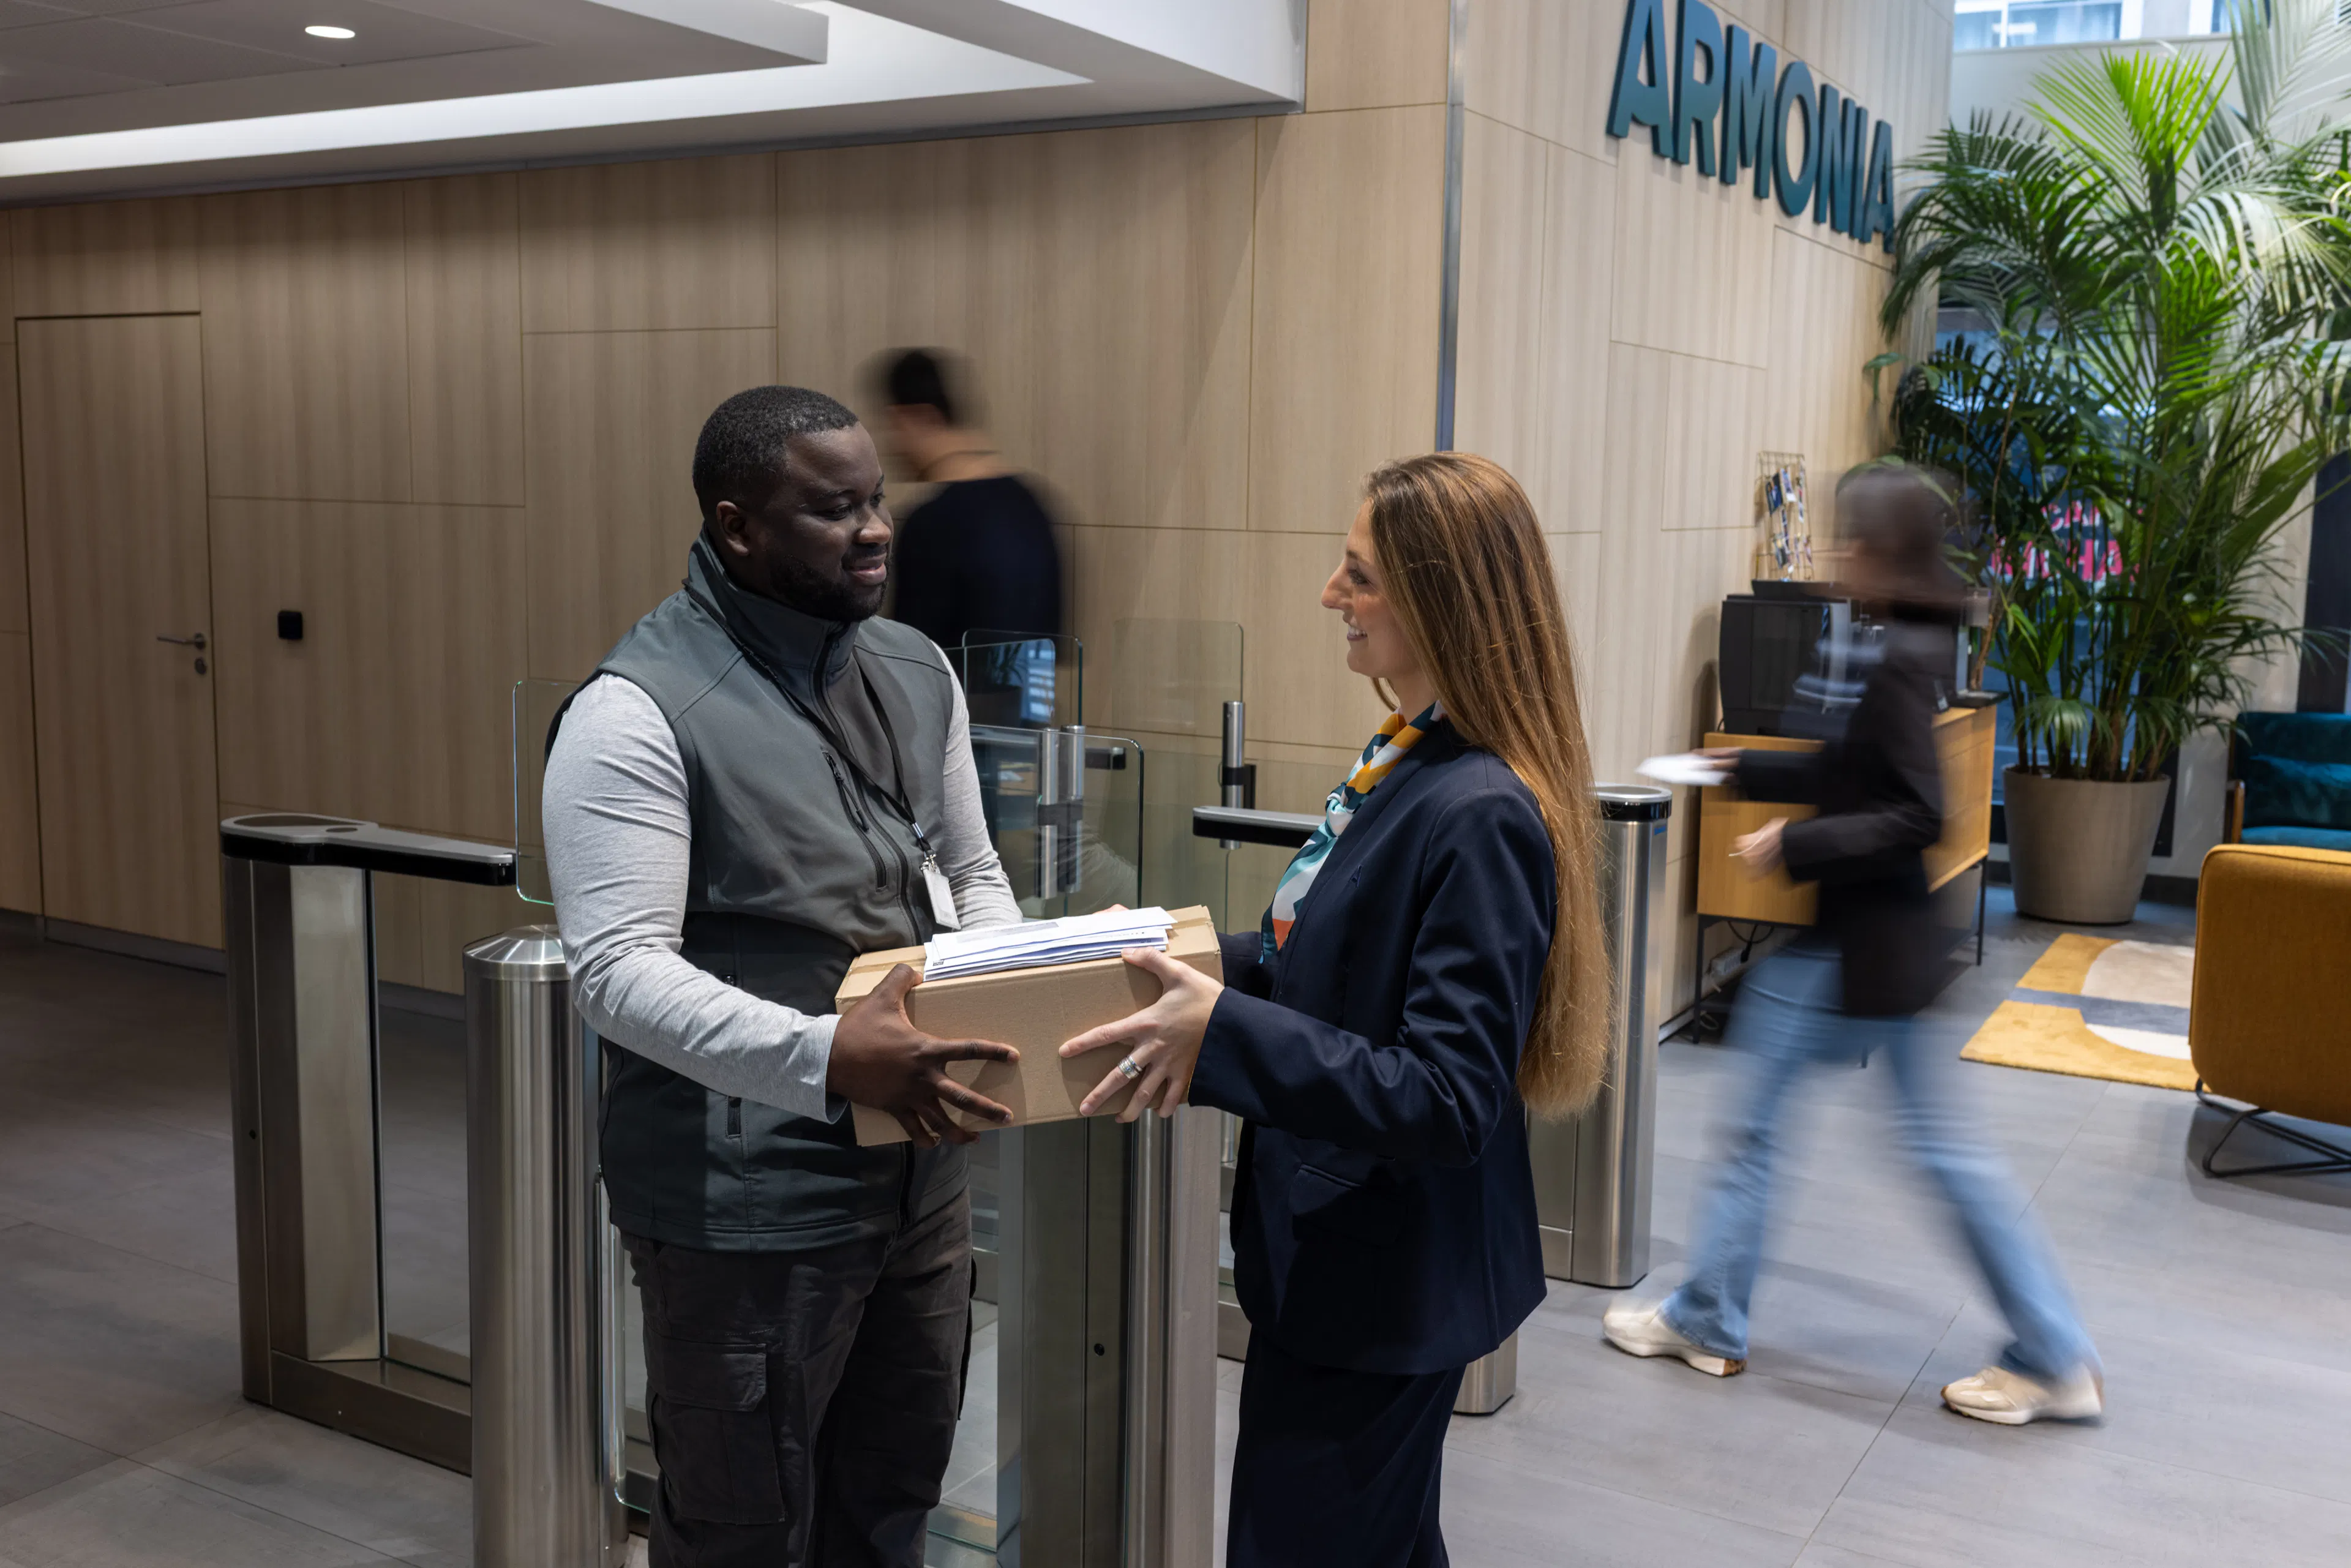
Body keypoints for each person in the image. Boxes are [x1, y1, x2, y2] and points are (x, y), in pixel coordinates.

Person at [1060, 453, 1613, 1567]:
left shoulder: (1480, 810)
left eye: (1357, 576)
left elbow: (1449, 1096)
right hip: (1350, 1274)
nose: (1329, 596)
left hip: (1382, 1287)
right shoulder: (1410, 761)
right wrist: (1164, 955)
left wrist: (1217, 1032)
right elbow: (1319, 962)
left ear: (1440, 598)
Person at [542, 385, 1029, 1567]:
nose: (872, 530)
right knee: (742, 1533)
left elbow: (969, 865)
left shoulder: (914, 669)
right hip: (746, 1213)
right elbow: (614, 973)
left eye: (876, 502)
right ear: (737, 524)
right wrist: (826, 1056)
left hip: (917, 1183)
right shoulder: (635, 709)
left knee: (890, 1505)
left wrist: (1009, 984)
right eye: (831, 510)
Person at [1600, 463, 2105, 1426]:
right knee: (1911, 1145)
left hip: (1863, 948)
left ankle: (1715, 1316)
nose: (1829, 555)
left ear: (1878, 552)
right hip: (1878, 950)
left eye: (1844, 540)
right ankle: (2047, 1348)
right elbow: (1849, 766)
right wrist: (1741, 764)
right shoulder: (1906, 642)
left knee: (1805, 1133)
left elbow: (1915, 812)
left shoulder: (1900, 658)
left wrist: (1795, 839)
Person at [873, 348, 1062, 664]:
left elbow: (913, 662)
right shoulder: (1034, 506)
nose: (892, 446)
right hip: (1032, 710)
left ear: (915, 418)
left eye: (893, 427)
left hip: (953, 711)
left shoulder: (933, 524)